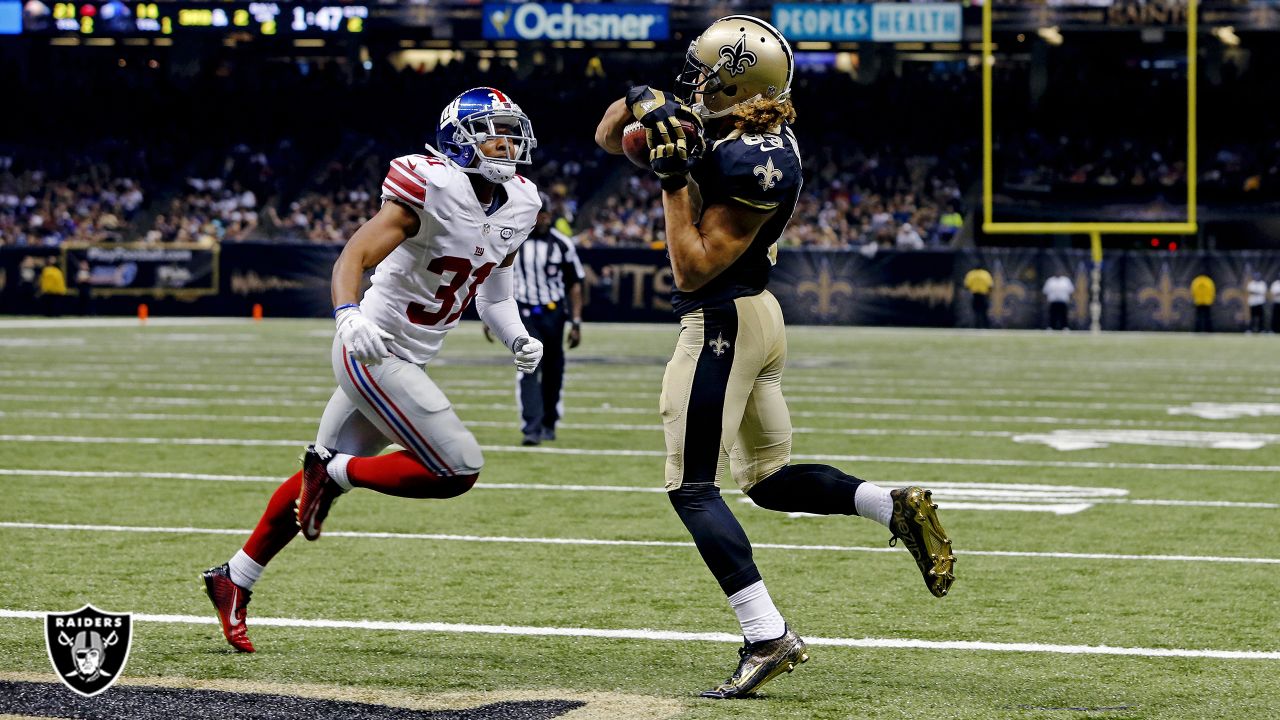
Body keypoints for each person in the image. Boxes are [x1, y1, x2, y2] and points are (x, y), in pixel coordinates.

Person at [594, 15, 954, 700]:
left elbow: (694, 268)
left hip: (723, 318)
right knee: (765, 478)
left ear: (735, 81)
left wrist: (672, 181)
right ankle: (890, 506)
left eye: (704, 72)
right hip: (758, 317)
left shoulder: (756, 158)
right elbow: (610, 135)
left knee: (692, 488)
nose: (692, 81)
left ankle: (767, 635)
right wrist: (643, 100)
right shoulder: (733, 127)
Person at [202, 87, 546, 653]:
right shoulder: (429, 184)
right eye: (493, 131)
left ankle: (233, 578)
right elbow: (352, 258)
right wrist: (347, 315)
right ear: (459, 139)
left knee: (310, 485)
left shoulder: (520, 202)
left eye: (511, 131)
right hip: (372, 349)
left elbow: (495, 294)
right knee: (457, 468)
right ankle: (336, 473)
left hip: (412, 355)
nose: (506, 143)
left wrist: (516, 336)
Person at [505, 193, 585, 445]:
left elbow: (574, 284)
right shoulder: (514, 242)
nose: (544, 218)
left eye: (546, 213)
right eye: (539, 213)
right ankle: (531, 427)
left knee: (553, 370)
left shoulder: (562, 244)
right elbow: (497, 279)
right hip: (524, 314)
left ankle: (549, 422)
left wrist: (576, 321)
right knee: (528, 367)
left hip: (553, 314)